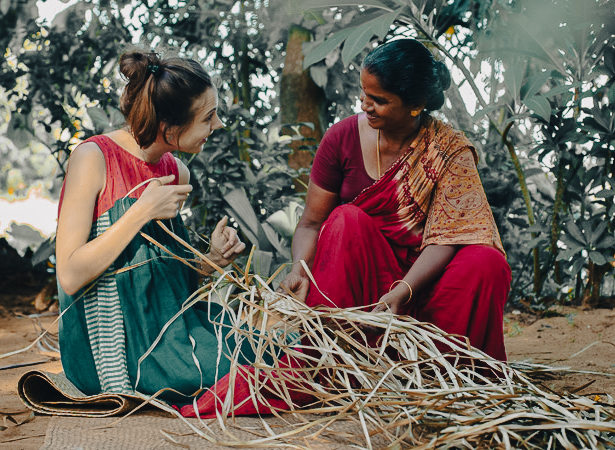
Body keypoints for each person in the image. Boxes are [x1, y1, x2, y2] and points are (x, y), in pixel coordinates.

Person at [55, 51, 281, 409]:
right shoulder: (93, 158)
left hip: (171, 327)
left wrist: (213, 260)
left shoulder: (176, 170)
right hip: (116, 344)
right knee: (242, 375)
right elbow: (69, 275)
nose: (218, 125)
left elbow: (167, 276)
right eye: (208, 117)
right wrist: (141, 211)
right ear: (169, 127)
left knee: (276, 352)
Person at [279, 39, 512, 361]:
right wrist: (299, 271)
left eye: (379, 100)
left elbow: (452, 236)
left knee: (487, 262)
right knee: (347, 219)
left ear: (415, 104)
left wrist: (405, 290)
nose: (364, 105)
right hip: (361, 285)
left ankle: (443, 368)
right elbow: (311, 223)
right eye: (363, 93)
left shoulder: (448, 150)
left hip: (425, 283)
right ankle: (340, 360)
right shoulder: (340, 138)